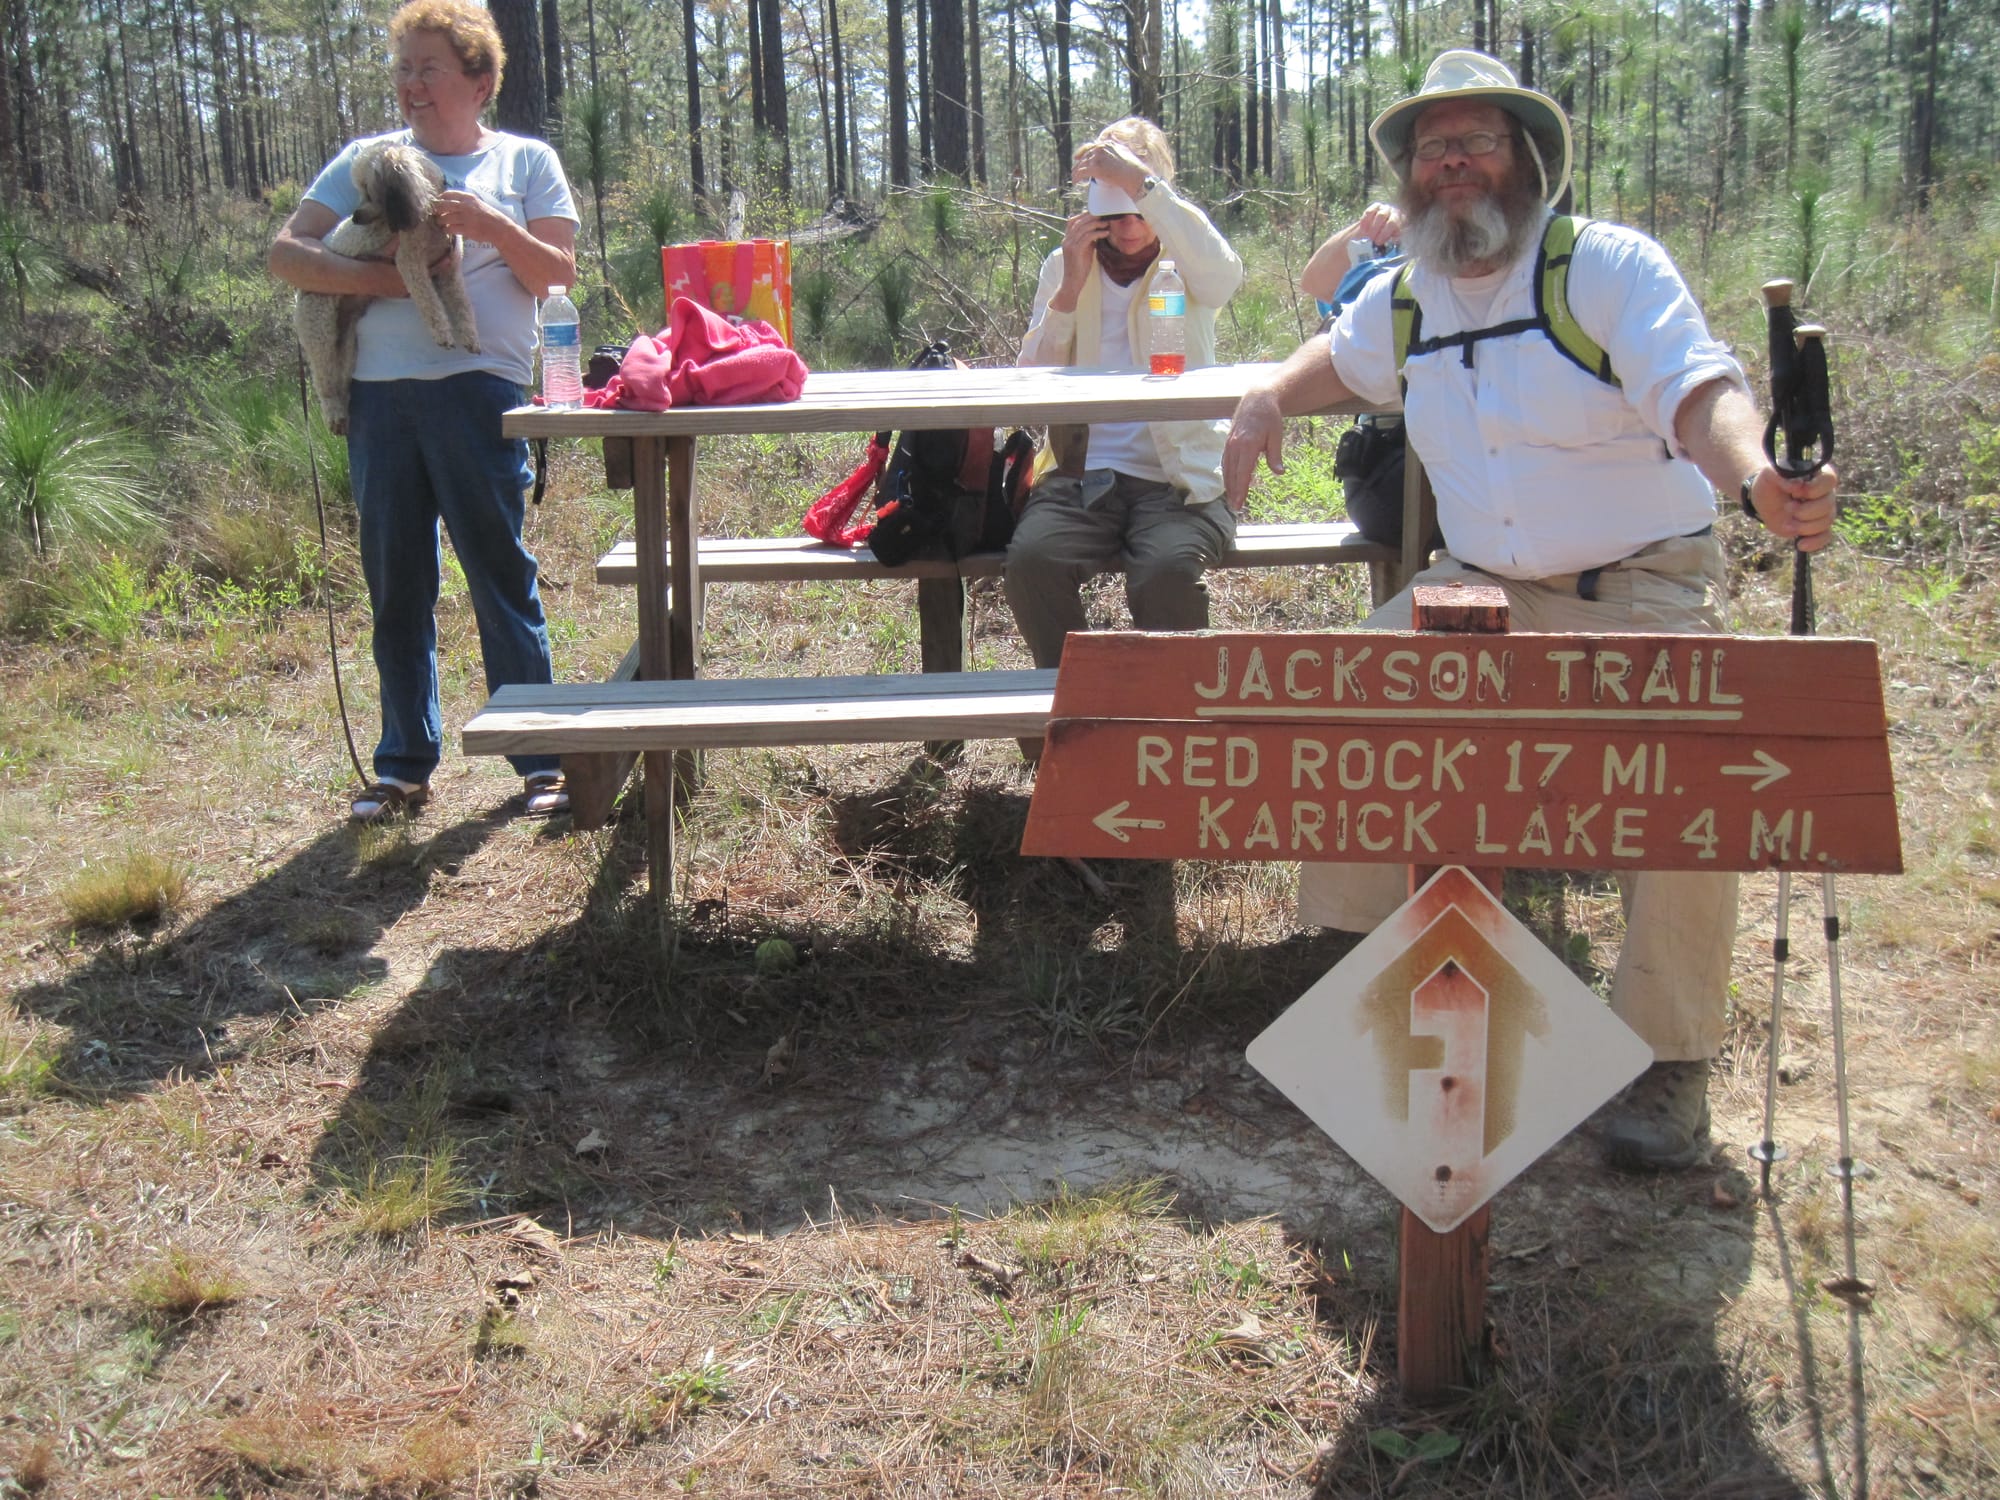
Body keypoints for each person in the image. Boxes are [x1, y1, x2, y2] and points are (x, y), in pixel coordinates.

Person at [1222, 50, 1838, 1172]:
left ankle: (1666, 1059)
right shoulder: (1405, 292)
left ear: (1526, 161)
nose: (1450, 163)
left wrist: (1755, 480)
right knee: (1352, 700)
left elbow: (1696, 392)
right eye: (1429, 148)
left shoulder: (1601, 268)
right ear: (1408, 180)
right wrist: (1264, 395)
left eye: (1476, 141)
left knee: (1688, 779)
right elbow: (1342, 358)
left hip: (1636, 584)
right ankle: (1368, 979)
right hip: (1482, 589)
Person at [270, 0, 578, 824]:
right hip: (377, 397)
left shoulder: (526, 162)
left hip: (480, 389)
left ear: (479, 81)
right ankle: (403, 766)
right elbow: (286, 254)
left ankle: (543, 763)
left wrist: (486, 222)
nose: (411, 85)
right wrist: (389, 281)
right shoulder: (369, 163)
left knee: (499, 573)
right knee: (397, 583)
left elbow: (557, 273)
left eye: (429, 68)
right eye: (403, 68)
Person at [1005, 119, 1244, 684]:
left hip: (1178, 477)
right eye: (1115, 210)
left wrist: (1145, 188)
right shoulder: (1068, 264)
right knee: (1032, 561)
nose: (1131, 227)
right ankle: (1074, 721)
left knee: (1166, 572)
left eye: (1141, 205)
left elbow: (1223, 278)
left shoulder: (1185, 256)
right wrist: (1068, 291)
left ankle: (1175, 726)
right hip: (1081, 474)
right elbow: (1030, 379)